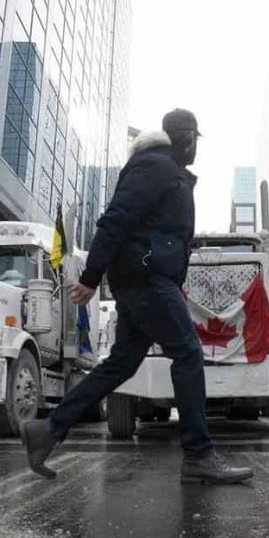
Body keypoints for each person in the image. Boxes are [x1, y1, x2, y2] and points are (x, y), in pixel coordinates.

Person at [22, 109, 254, 484]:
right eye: (195, 139)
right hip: (146, 279)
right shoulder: (156, 166)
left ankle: (48, 430)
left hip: (144, 278)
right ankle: (198, 454)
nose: (196, 147)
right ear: (187, 137)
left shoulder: (164, 168)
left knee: (122, 364)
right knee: (189, 353)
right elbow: (116, 218)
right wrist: (91, 275)